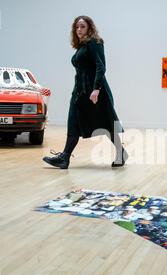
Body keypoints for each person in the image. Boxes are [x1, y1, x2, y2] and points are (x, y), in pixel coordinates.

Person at [43, 15, 128, 169]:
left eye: (82, 26)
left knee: (106, 124)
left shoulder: (95, 43)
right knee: (73, 121)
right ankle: (65, 157)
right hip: (80, 91)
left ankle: (121, 153)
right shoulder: (81, 46)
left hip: (96, 91)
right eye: (77, 27)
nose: (79, 29)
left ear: (89, 27)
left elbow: (101, 66)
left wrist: (96, 89)